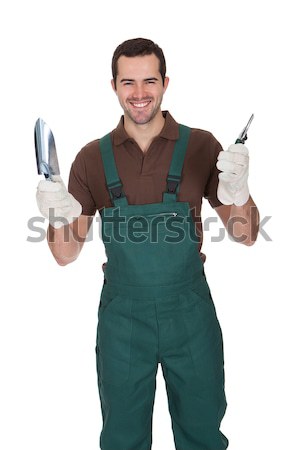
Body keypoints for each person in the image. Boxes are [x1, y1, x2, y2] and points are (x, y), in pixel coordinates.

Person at [36, 38, 259, 450]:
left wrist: (239, 192)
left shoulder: (201, 146)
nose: (139, 94)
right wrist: (56, 217)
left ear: (165, 83)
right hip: (124, 320)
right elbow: (66, 253)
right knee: (122, 438)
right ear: (114, 86)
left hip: (190, 315)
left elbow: (245, 234)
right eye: (129, 82)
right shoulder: (91, 158)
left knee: (203, 435)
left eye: (149, 81)